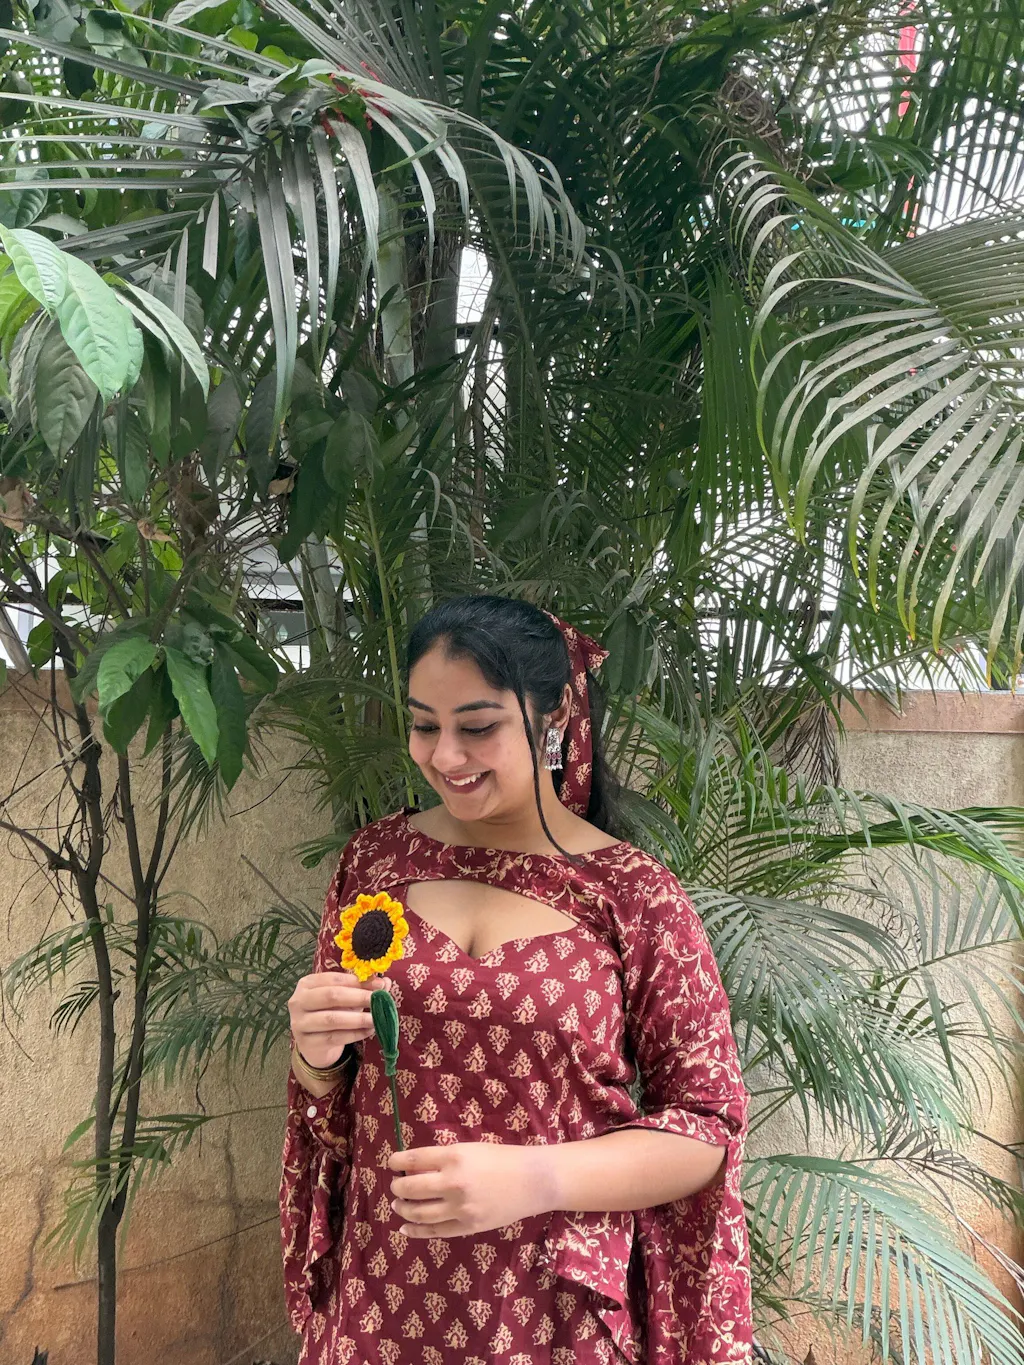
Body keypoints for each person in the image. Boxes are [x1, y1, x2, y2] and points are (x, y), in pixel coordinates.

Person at [280, 596, 753, 1365]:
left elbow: (709, 1127)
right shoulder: (374, 863)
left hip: (553, 1317)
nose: (445, 756)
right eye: (424, 724)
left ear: (554, 715)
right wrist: (316, 1056)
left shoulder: (632, 895)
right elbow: (338, 1118)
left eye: (477, 726)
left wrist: (537, 1176)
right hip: (380, 1305)